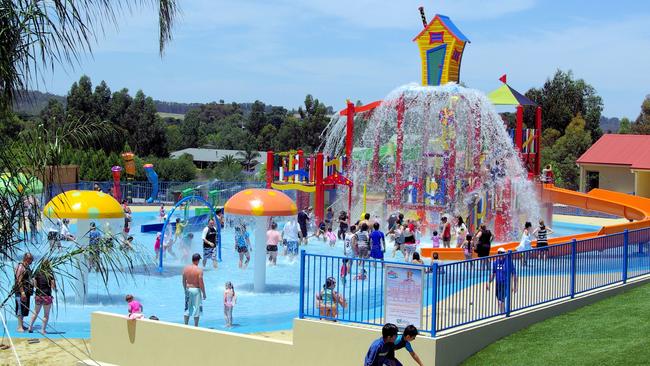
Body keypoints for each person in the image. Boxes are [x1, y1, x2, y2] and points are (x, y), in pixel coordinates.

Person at [28, 259, 55, 334]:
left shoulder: (37, 273)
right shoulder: (50, 274)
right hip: (47, 295)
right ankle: (43, 330)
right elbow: (53, 287)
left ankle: (30, 327)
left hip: (38, 295)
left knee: (35, 312)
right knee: (46, 314)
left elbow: (34, 285)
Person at [486, 247, 518, 312]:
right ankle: (503, 311)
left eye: (502, 253)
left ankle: (502, 313)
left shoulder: (509, 262)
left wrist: (515, 286)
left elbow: (514, 275)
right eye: (499, 253)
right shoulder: (495, 262)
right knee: (499, 299)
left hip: (505, 283)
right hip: (498, 284)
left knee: (501, 300)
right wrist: (488, 282)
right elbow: (493, 274)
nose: (501, 254)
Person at [183, 253, 206, 327]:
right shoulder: (199, 270)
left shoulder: (186, 268)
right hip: (196, 290)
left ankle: (185, 325)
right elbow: (201, 282)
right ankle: (196, 326)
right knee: (197, 309)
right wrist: (204, 293)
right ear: (198, 260)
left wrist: (185, 289)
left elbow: (183, 280)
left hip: (188, 289)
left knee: (187, 309)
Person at [14, 253, 34, 332]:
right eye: (31, 259)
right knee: (20, 308)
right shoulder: (20, 267)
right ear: (27, 259)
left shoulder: (27, 267)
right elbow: (19, 281)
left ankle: (22, 324)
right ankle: (19, 326)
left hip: (27, 291)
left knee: (24, 309)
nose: (32, 261)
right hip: (20, 291)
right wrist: (22, 292)